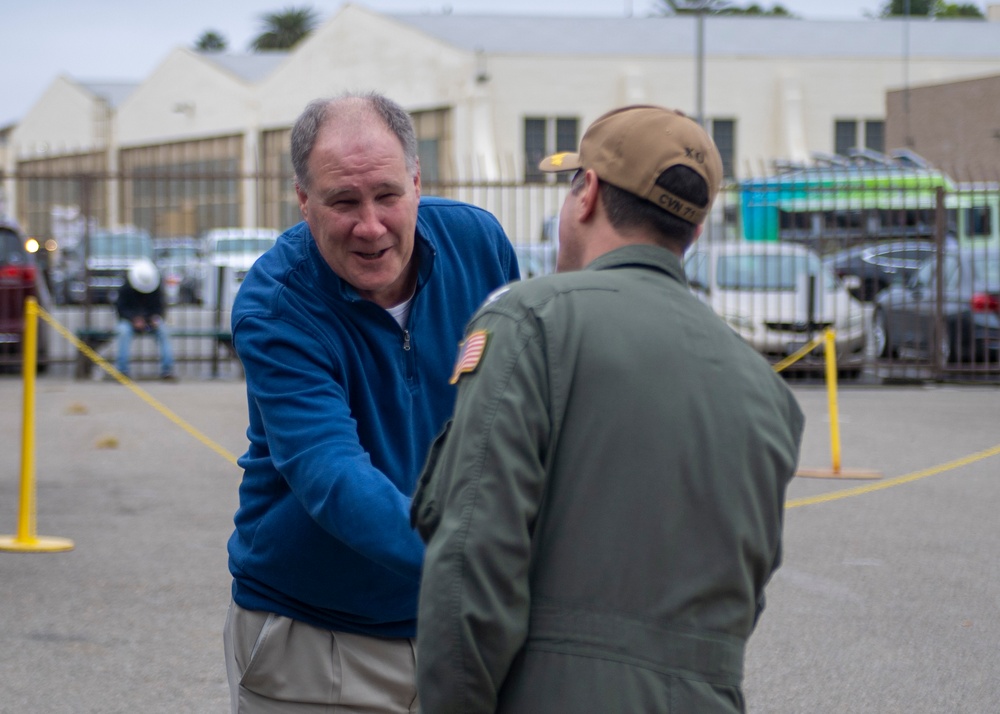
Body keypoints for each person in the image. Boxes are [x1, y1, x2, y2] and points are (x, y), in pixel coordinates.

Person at [412, 105, 805, 713]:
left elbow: (472, 563)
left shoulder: (531, 321)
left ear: (587, 192)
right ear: (693, 233)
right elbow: (741, 595)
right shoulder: (764, 387)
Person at [223, 91, 520, 713]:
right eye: (342, 201)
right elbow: (331, 473)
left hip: (460, 630)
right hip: (316, 642)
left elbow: (519, 404)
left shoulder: (479, 243)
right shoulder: (276, 303)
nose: (371, 225)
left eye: (388, 194)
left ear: (417, 180)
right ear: (303, 200)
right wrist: (478, 565)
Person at [114, 258, 175, 380]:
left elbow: (160, 307)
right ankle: (122, 370)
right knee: (123, 331)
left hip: (150, 322)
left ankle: (167, 370)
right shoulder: (126, 288)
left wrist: (154, 318)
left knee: (164, 332)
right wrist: (133, 318)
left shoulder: (156, 288)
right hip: (130, 322)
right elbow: (120, 308)